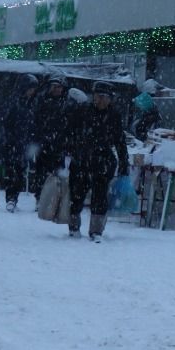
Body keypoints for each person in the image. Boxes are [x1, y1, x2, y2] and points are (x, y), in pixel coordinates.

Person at [66, 83, 130, 243]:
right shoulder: (82, 112)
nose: (100, 100)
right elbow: (69, 133)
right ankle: (73, 227)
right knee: (77, 195)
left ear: (110, 100)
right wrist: (69, 153)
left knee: (100, 197)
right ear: (93, 97)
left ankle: (96, 231)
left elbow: (120, 141)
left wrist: (124, 163)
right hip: (81, 160)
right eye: (98, 96)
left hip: (103, 162)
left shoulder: (114, 116)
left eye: (104, 97)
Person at [0, 78, 37, 212]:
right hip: (13, 144)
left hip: (23, 144)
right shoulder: (15, 103)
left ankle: (13, 198)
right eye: (30, 88)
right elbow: (6, 123)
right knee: (12, 172)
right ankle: (11, 198)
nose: (32, 91)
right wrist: (11, 138)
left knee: (19, 173)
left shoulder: (30, 103)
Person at [30, 77, 69, 199]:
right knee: (41, 172)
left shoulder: (65, 103)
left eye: (59, 87)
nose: (57, 90)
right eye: (55, 87)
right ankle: (40, 197)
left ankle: (55, 197)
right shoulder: (42, 101)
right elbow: (36, 121)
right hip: (44, 142)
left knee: (57, 172)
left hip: (59, 143)